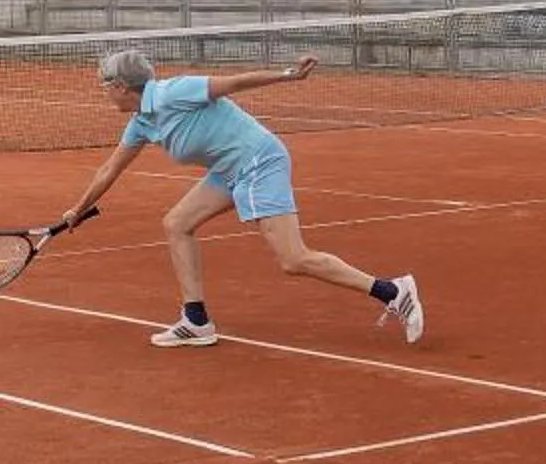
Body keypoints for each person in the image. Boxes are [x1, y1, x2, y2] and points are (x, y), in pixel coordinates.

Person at [62, 48, 423, 349]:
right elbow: (110, 170)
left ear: (122, 86)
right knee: (177, 223)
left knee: (293, 259)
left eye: (105, 86)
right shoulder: (142, 122)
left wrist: (289, 75)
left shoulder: (175, 91)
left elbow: (234, 83)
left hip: (259, 160)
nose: (103, 91)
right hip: (229, 169)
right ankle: (196, 320)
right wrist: (78, 210)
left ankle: (393, 291)